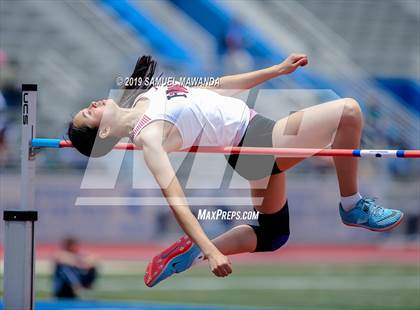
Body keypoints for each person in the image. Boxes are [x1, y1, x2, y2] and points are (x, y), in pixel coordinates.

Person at [67, 55, 403, 288]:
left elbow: (220, 86)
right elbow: (176, 199)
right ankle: (352, 205)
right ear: (104, 134)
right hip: (258, 141)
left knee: (274, 235)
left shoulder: (146, 96)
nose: (93, 105)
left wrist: (275, 70)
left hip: (251, 145)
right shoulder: (148, 135)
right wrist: (216, 254)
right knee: (349, 110)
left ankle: (191, 254)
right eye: (88, 115)